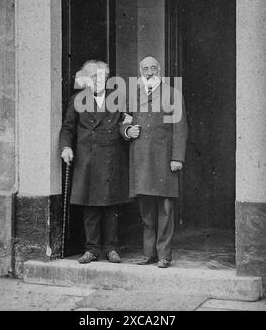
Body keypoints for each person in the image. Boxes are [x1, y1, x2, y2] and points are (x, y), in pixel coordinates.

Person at [120, 56, 188, 268]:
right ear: (140, 72)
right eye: (144, 69)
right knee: (146, 210)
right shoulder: (134, 95)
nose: (149, 72)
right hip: (141, 159)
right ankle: (148, 254)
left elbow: (180, 128)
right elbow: (123, 121)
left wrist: (177, 157)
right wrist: (127, 131)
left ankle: (164, 255)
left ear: (159, 70)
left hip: (164, 160)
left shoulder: (172, 94)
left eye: (152, 68)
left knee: (165, 209)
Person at [60, 60, 128, 264]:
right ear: (87, 80)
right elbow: (67, 128)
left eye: (103, 77)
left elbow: (127, 122)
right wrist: (66, 147)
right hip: (87, 159)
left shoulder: (116, 99)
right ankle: (91, 249)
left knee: (110, 205)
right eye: (95, 77)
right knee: (90, 206)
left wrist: (127, 128)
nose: (100, 81)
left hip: (110, 157)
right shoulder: (77, 100)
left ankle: (111, 248)